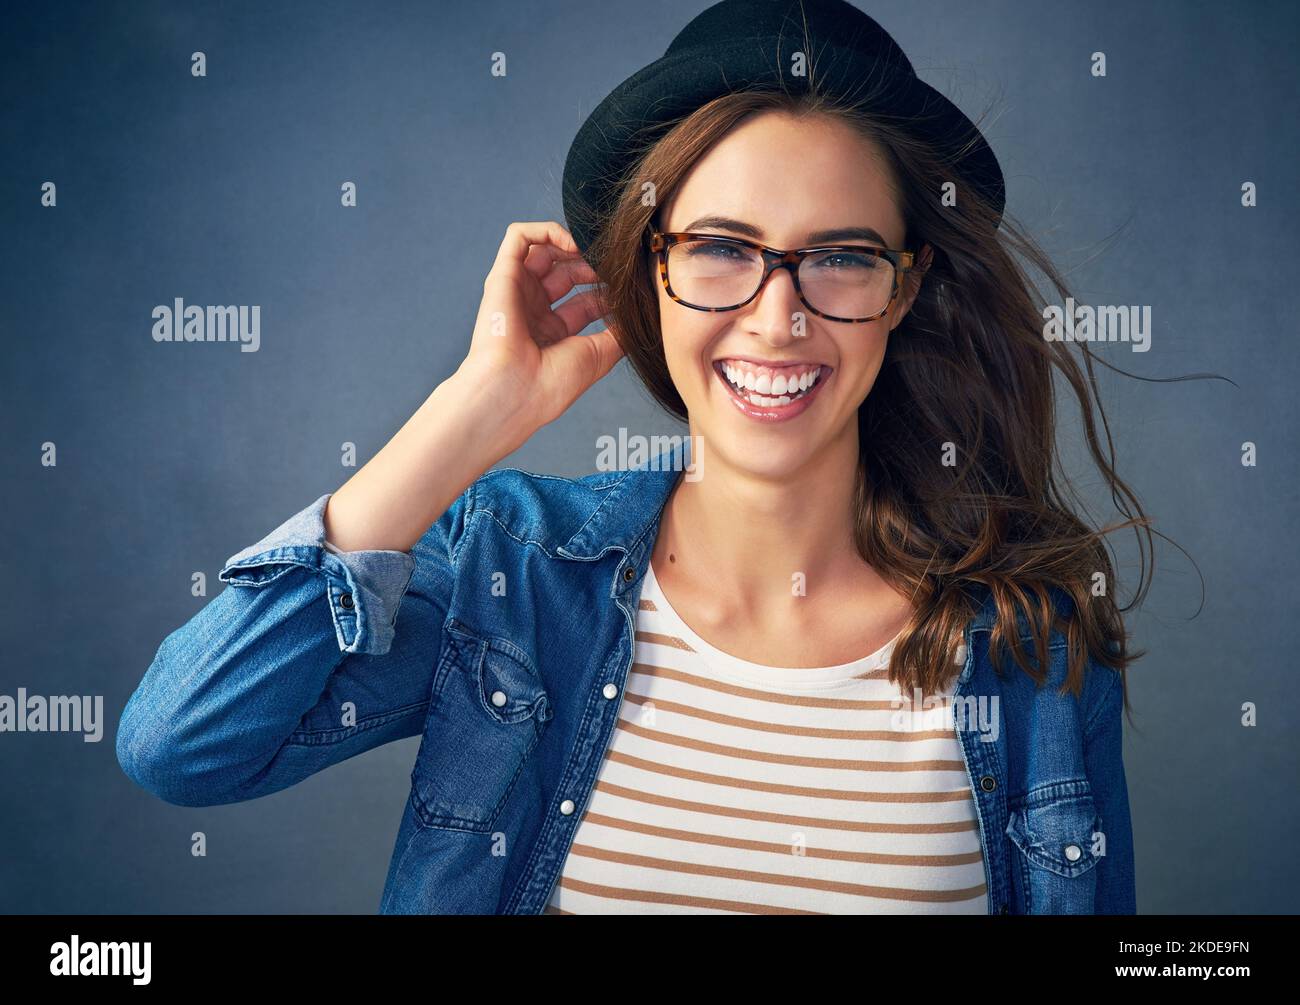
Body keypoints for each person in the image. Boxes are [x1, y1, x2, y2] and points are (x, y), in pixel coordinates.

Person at [116, 0, 1145, 914]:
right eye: (722, 249)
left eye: (839, 257)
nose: (777, 318)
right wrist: (470, 413)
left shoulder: (1032, 648)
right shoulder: (514, 577)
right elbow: (185, 745)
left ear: (905, 287)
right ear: (647, 269)